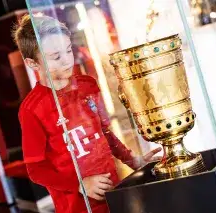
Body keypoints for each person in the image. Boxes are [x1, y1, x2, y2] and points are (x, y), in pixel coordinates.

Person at [13, 14, 161, 213]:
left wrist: (131, 159)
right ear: (32, 63)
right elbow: (36, 170)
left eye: (68, 51)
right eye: (56, 57)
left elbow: (104, 131)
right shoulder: (32, 109)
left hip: (114, 195)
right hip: (77, 207)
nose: (67, 60)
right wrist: (79, 184)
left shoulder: (87, 85)